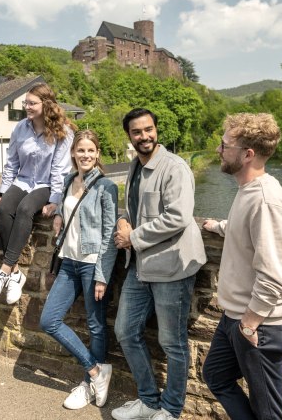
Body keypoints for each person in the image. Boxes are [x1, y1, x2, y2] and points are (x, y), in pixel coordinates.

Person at [202, 113, 282, 420]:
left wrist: (249, 322)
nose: (219, 149)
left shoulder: (265, 199)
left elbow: (276, 275)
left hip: (260, 323)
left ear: (247, 154)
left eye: (225, 144)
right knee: (216, 375)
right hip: (237, 316)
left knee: (269, 412)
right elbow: (249, 231)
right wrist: (220, 226)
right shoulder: (249, 191)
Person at [112, 108, 207, 420]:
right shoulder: (134, 166)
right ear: (130, 136)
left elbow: (178, 217)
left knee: (172, 343)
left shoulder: (174, 167)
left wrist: (133, 237)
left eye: (149, 129)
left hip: (172, 268)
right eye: (137, 132)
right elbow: (133, 207)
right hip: (141, 266)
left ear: (156, 130)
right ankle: (149, 401)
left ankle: (171, 409)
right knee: (125, 331)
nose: (145, 136)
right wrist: (124, 221)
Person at [40, 130, 118, 410]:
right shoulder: (67, 180)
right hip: (68, 262)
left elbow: (109, 234)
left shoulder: (106, 187)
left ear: (98, 154)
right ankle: (97, 371)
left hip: (90, 264)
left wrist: (101, 274)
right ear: (73, 153)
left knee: (96, 326)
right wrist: (60, 213)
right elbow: (66, 208)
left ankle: (87, 385)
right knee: (49, 320)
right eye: (80, 150)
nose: (85, 155)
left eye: (91, 151)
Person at [0, 82, 76, 305]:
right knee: (5, 209)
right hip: (23, 181)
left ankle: (4, 270)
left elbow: (59, 170)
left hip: (46, 185)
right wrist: (3, 192)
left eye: (32, 103)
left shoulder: (64, 131)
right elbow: (12, 163)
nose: (27, 107)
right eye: (25, 102)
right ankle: (15, 273)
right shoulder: (21, 128)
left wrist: (55, 200)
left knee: (25, 209)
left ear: (46, 104)